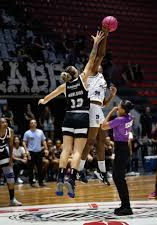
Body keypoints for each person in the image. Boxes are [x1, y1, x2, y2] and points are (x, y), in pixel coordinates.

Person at [38, 30, 105, 198]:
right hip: (82, 117)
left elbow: (49, 96)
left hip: (68, 117)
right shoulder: (83, 79)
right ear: (75, 73)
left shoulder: (65, 87)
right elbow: (92, 58)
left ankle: (60, 177)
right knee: (77, 152)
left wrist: (43, 101)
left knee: (65, 150)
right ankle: (71, 178)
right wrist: (96, 43)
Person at [79, 27, 117, 186]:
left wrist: (111, 97)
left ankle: (102, 171)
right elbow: (100, 54)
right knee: (91, 141)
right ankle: (80, 170)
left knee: (102, 141)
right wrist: (104, 37)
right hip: (92, 109)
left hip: (99, 109)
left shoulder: (101, 78)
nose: (99, 63)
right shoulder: (92, 72)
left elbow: (102, 103)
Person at [101, 100, 134, 216]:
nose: (117, 107)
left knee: (119, 178)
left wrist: (110, 112)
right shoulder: (130, 117)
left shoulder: (119, 120)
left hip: (121, 149)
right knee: (118, 177)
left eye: (119, 107)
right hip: (123, 148)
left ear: (123, 110)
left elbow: (103, 126)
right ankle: (124, 204)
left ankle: (127, 206)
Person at [0, 117, 22, 208]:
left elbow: (10, 145)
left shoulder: (10, 131)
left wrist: (10, 158)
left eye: (6, 122)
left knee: (10, 177)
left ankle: (12, 199)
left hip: (4, 154)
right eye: (2, 122)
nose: (5, 124)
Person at [23, 119, 48, 187]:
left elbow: (44, 141)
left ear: (36, 124)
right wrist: (26, 151)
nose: (33, 124)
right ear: (30, 124)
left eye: (35, 123)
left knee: (40, 168)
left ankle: (41, 182)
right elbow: (24, 142)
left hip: (39, 152)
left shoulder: (40, 132)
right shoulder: (27, 133)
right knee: (30, 168)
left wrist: (46, 149)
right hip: (31, 152)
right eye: (32, 123)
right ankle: (31, 182)